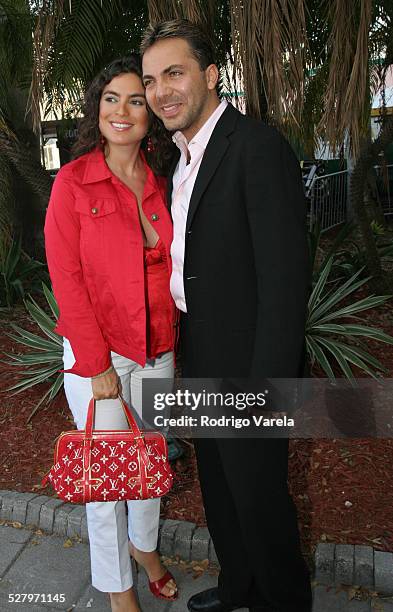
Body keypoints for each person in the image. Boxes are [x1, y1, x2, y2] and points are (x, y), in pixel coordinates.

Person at [141, 20, 312, 612]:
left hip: (251, 357)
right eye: (151, 80)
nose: (162, 91)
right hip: (203, 346)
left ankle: (282, 600)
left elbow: (286, 285)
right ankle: (240, 586)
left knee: (259, 494)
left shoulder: (257, 148)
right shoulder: (183, 158)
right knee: (219, 485)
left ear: (210, 76)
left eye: (175, 73)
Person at [44, 55, 178, 612]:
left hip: (159, 348)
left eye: (136, 101)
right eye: (111, 98)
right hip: (100, 355)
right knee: (106, 483)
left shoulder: (163, 182)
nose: (122, 111)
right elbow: (66, 280)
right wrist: (96, 365)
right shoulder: (73, 183)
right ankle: (117, 589)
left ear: (149, 115)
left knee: (151, 460)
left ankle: (144, 548)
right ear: (97, 106)